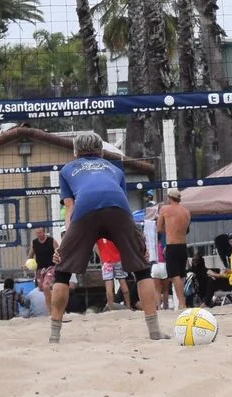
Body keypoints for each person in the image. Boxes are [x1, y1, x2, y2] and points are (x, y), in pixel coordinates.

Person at [45, 132, 164, 343]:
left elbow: (70, 207)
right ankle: (154, 331)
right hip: (117, 210)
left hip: (85, 210)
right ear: (101, 151)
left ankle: (54, 336)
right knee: (142, 270)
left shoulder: (67, 170)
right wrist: (138, 240)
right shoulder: (115, 169)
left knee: (62, 273)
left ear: (75, 152)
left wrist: (64, 243)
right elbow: (124, 205)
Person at [156, 188, 193, 309]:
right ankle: (182, 301)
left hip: (172, 245)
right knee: (181, 275)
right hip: (183, 246)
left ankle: (182, 302)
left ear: (169, 198)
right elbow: (186, 230)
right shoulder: (186, 212)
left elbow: (158, 228)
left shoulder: (165, 209)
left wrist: (169, 229)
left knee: (174, 275)